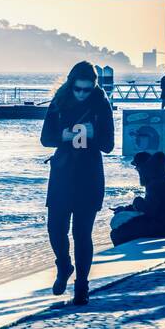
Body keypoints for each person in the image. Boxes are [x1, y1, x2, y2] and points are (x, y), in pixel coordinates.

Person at [41, 61, 115, 305]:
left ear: (94, 87)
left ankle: (82, 285)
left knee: (82, 234)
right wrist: (62, 136)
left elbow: (109, 145)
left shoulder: (101, 104)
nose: (82, 94)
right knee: (55, 229)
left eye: (87, 89)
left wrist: (94, 134)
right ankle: (64, 265)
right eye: (78, 89)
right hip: (62, 175)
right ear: (70, 84)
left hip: (89, 175)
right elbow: (45, 139)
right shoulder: (58, 103)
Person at [110, 151, 165, 246]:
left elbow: (149, 210)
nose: (137, 171)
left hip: (164, 228)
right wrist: (126, 208)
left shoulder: (155, 183)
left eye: (137, 168)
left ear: (145, 167)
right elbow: (157, 205)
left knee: (117, 233)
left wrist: (137, 201)